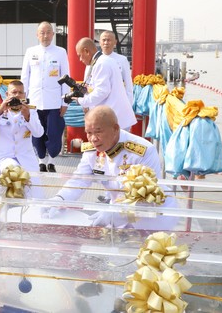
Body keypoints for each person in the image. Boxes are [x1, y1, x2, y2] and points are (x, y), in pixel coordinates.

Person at [44, 106, 177, 229]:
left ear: (115, 128)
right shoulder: (92, 150)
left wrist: (116, 213)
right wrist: (60, 199)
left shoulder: (143, 151)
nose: (93, 139)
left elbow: (150, 197)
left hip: (152, 220)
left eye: (98, 132)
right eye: (88, 133)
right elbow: (79, 180)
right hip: (115, 215)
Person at [21, 21, 70, 172]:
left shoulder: (60, 52)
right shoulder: (30, 51)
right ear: (37, 35)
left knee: (54, 134)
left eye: (48, 32)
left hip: (54, 101)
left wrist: (65, 102)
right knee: (36, 133)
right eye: (42, 32)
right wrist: (24, 100)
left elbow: (66, 77)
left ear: (53, 34)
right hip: (34, 101)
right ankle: (42, 160)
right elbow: (25, 77)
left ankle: (52, 161)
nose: (45, 35)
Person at [73, 37, 137, 130]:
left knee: (114, 144)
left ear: (86, 51)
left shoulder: (100, 64)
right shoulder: (103, 60)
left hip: (114, 118)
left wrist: (81, 101)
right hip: (115, 116)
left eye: (80, 55)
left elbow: (102, 91)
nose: (80, 59)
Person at [99, 31, 133, 105]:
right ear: (99, 42)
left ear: (115, 42)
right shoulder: (95, 59)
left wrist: (129, 103)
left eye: (109, 40)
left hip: (117, 101)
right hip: (99, 101)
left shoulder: (122, 60)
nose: (106, 43)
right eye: (104, 40)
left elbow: (128, 83)